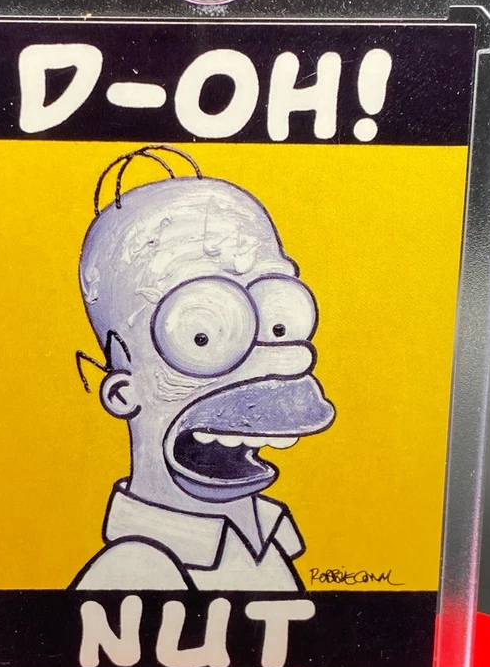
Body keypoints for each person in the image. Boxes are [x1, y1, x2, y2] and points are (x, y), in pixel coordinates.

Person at [72, 146, 334, 591]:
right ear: (122, 392)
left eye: (278, 322)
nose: (262, 365)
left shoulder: (269, 533)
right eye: (201, 335)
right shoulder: (139, 571)